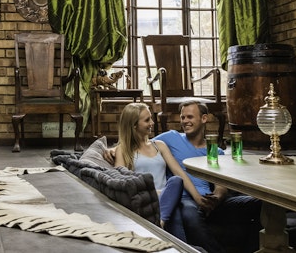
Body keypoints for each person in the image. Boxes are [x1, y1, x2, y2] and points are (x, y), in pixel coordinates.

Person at [106, 101, 261, 253]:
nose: (185, 121)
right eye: (182, 117)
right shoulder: (171, 138)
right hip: (177, 198)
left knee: (261, 204)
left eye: (190, 117)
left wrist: (215, 197)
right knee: (187, 212)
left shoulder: (213, 149)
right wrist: (115, 149)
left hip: (200, 197)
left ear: (204, 118)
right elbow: (130, 154)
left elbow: (217, 182)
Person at [113, 102, 204, 241]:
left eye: (151, 118)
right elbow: (120, 181)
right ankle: (162, 225)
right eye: (147, 120)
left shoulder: (159, 145)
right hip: (145, 198)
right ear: (134, 125)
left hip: (168, 197)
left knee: (176, 181)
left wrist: (198, 198)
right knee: (173, 204)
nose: (152, 123)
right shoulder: (123, 150)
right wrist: (155, 193)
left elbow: (179, 172)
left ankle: (161, 223)